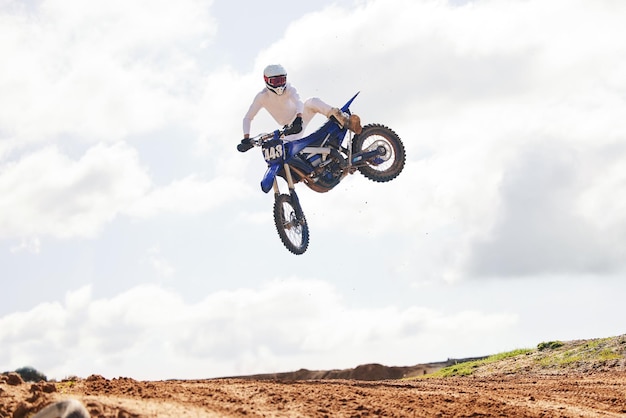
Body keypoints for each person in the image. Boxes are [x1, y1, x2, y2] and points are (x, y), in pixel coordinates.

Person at [237, 64, 361, 152]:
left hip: (300, 118)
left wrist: (298, 117)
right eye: (276, 82)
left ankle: (345, 120)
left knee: (311, 101)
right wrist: (246, 139)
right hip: (288, 130)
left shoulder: (289, 89)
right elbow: (247, 118)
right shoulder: (262, 97)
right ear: (267, 81)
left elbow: (299, 102)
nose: (280, 85)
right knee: (283, 152)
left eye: (282, 80)